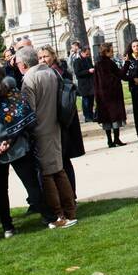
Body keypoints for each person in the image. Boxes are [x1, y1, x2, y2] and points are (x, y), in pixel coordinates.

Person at [0, 62, 56, 235]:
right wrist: (9, 141)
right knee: (31, 184)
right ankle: (48, 218)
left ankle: (7, 226)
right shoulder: (11, 94)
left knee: (0, 188)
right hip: (17, 146)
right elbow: (23, 119)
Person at [17, 45, 77, 228]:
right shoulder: (50, 72)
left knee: (48, 174)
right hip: (55, 126)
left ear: (24, 63)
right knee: (58, 170)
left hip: (41, 130)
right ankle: (70, 210)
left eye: (18, 62)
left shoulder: (30, 78)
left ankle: (59, 214)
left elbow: (29, 110)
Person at [38, 44, 84, 199]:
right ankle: (67, 195)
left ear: (53, 56)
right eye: (40, 57)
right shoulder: (46, 73)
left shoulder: (59, 73)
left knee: (64, 161)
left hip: (64, 122)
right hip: (57, 120)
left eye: (45, 56)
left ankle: (71, 195)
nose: (43, 60)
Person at [94, 43, 127, 147]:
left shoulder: (98, 63)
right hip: (112, 94)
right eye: (111, 51)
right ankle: (116, 139)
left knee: (107, 118)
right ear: (106, 51)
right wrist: (126, 64)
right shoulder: (108, 63)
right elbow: (118, 75)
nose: (112, 53)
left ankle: (110, 140)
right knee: (114, 117)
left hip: (102, 95)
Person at [72, 42, 96, 123]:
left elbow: (92, 68)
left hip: (90, 84)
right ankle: (87, 116)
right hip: (83, 84)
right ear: (82, 53)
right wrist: (88, 71)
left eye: (89, 54)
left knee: (91, 101)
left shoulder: (88, 60)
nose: (88, 55)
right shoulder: (77, 61)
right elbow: (78, 73)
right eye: (86, 54)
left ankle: (91, 114)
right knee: (85, 101)